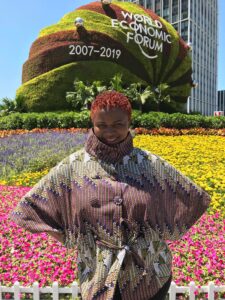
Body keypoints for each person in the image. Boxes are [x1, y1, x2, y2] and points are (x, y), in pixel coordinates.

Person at [9, 91, 211, 300]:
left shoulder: (150, 165)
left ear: (129, 122)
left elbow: (192, 198)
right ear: (92, 123)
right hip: (97, 276)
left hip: (150, 276)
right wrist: (69, 238)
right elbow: (31, 208)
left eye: (118, 124)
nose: (110, 131)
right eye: (102, 125)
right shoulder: (72, 167)